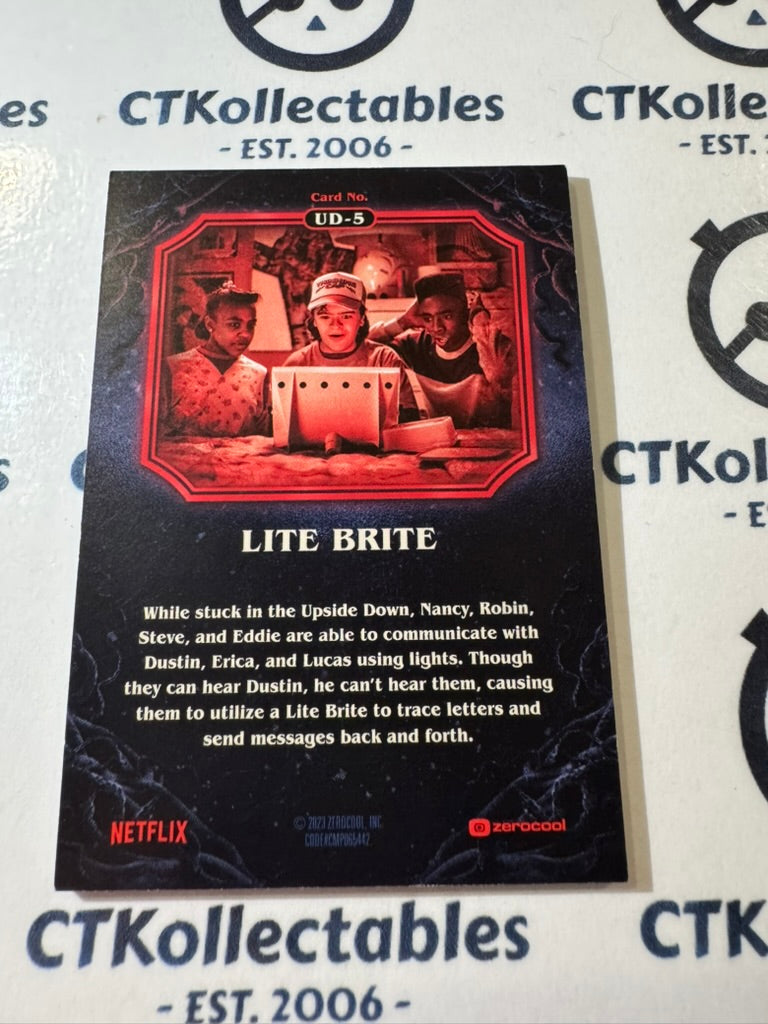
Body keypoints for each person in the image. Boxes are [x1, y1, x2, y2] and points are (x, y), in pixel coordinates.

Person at [369, 272, 514, 428]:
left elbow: (499, 374)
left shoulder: (491, 346)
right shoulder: (418, 345)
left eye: (447, 316)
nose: (436, 327)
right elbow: (365, 344)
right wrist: (403, 322)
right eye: (428, 318)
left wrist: (478, 319)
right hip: (442, 439)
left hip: (490, 440)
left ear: (465, 313)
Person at [283, 271, 418, 421]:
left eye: (346, 316)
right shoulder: (296, 364)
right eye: (325, 317)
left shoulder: (384, 360)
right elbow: (279, 424)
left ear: (362, 318)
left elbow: (409, 422)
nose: (335, 325)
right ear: (313, 320)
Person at [164, 284, 270, 437]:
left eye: (250, 325)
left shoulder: (259, 375)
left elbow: (264, 437)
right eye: (234, 325)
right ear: (210, 324)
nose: (245, 334)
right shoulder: (173, 368)